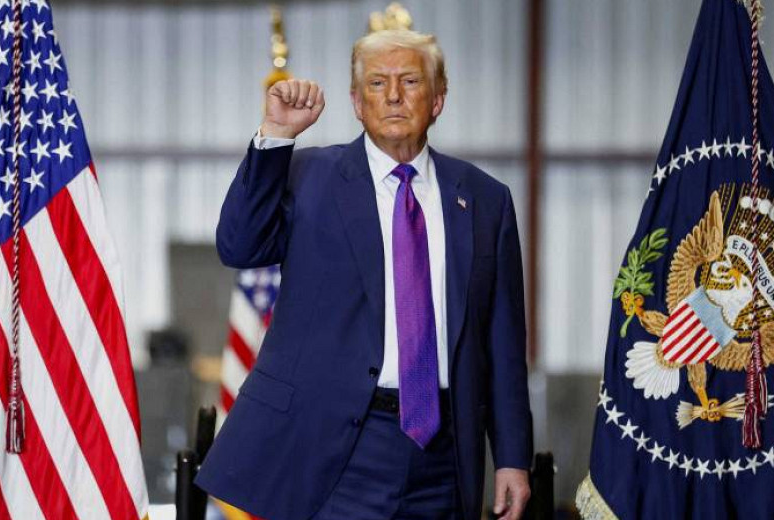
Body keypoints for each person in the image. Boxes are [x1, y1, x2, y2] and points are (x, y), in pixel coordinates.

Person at [196, 29, 533, 520]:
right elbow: (239, 245)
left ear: (438, 99)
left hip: (444, 456)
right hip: (335, 449)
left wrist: (513, 458)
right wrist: (275, 135)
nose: (393, 95)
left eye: (410, 81)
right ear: (357, 103)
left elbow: (503, 343)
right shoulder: (307, 176)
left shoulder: (485, 199)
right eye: (377, 83)